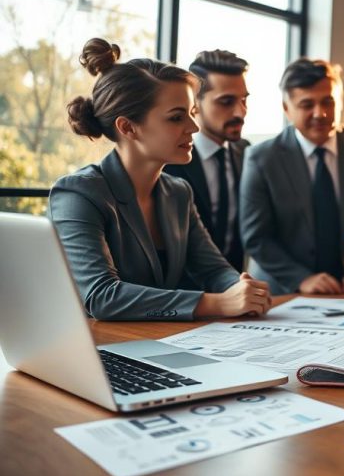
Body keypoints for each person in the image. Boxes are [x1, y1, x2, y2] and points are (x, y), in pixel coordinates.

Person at [49, 38, 272, 321]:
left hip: (155, 342)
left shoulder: (178, 192)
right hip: (94, 349)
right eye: (177, 118)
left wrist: (241, 289)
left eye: (192, 113)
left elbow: (213, 269)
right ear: (128, 127)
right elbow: (102, 296)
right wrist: (217, 303)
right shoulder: (78, 194)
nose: (193, 127)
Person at [240, 58, 344, 295]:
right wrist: (302, 279)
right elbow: (257, 237)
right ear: (286, 108)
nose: (320, 113)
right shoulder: (261, 158)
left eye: (328, 102)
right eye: (307, 104)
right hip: (281, 292)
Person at [164, 49, 250, 271]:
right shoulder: (168, 159)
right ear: (195, 103)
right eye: (226, 102)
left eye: (243, 100)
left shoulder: (247, 153)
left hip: (236, 292)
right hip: (182, 297)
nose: (240, 112)